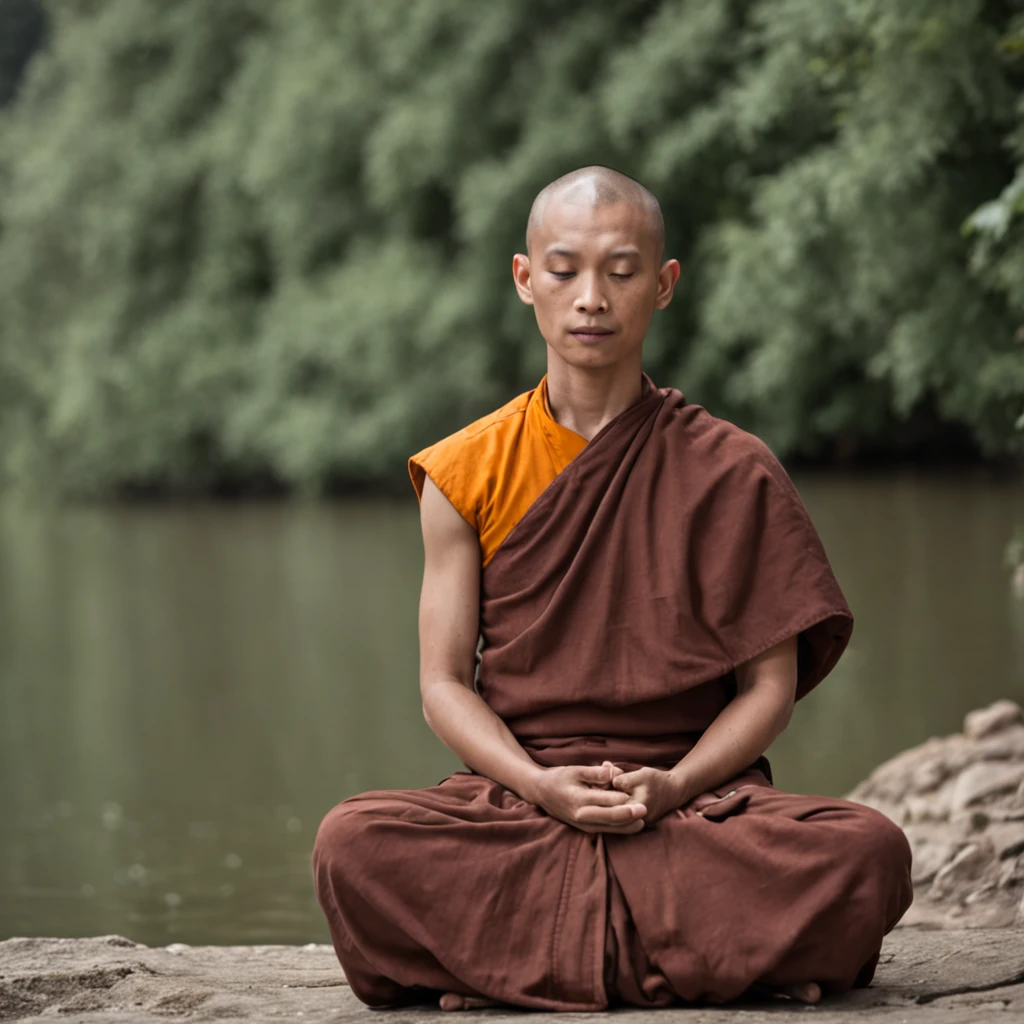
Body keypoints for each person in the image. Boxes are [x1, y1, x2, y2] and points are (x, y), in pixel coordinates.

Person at [312, 165, 913, 1012]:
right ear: (526, 280)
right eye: (564, 271)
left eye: (621, 272)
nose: (591, 297)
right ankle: (708, 961)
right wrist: (538, 787)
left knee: (870, 850)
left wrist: (672, 786)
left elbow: (769, 690)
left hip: (693, 803)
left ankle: (506, 967)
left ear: (663, 286)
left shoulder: (732, 470)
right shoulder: (465, 472)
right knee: (351, 842)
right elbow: (443, 685)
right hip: (521, 801)